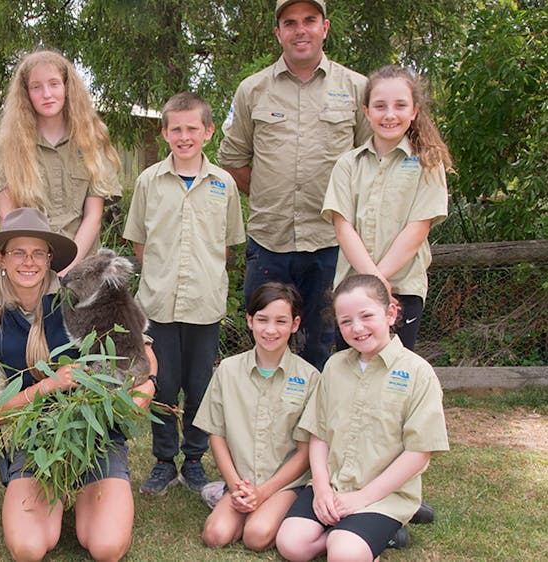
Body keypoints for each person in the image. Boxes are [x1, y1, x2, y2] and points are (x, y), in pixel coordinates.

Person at [0, 208, 157, 562]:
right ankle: (46, 490)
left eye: (37, 252)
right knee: (29, 548)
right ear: (2, 258)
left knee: (106, 546)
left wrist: (148, 383)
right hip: (37, 442)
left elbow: (141, 346)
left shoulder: (83, 297)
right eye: (18, 252)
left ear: (49, 258)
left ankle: (89, 491)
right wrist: (47, 387)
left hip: (97, 437)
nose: (29, 262)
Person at [218, 0, 372, 371]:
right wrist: (269, 195)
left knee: (321, 345)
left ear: (325, 27)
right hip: (269, 242)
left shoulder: (356, 88)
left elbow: (372, 163)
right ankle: (265, 426)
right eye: (290, 23)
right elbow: (233, 157)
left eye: (309, 21)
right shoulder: (252, 90)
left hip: (329, 244)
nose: (300, 30)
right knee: (267, 341)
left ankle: (313, 427)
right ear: (278, 33)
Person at [275, 274, 449, 562]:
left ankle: (366, 534)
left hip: (381, 495)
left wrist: (361, 499)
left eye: (366, 316)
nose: (357, 328)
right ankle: (359, 535)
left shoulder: (418, 373)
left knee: (344, 555)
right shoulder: (333, 367)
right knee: (292, 546)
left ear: (390, 313)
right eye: (345, 321)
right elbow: (318, 433)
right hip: (332, 485)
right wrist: (320, 488)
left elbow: (419, 452)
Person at [123, 92, 246, 495]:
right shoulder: (149, 182)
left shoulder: (223, 184)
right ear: (164, 133)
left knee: (199, 386)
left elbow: (226, 244)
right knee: (161, 384)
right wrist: (162, 275)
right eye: (176, 128)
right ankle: (163, 460)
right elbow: (140, 242)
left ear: (208, 133)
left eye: (193, 128)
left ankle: (194, 459)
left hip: (204, 305)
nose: (184, 135)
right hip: (158, 304)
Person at [323, 65, 452, 350]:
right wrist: (374, 285)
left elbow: (417, 228)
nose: (390, 114)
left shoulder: (427, 163)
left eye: (400, 105)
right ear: (367, 112)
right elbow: (343, 227)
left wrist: (381, 287)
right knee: (352, 372)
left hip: (402, 290)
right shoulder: (347, 165)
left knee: (393, 375)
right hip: (352, 290)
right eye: (380, 106)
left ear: (414, 111)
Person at [193, 282, 319, 551]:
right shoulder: (227, 371)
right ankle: (230, 496)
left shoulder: (309, 378)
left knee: (256, 537)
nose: (270, 330)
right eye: (262, 320)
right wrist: (235, 485)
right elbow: (217, 434)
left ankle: (287, 512)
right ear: (250, 321)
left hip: (284, 484)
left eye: (280, 321)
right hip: (241, 480)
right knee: (214, 535)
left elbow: (305, 451)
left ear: (295, 324)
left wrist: (263, 492)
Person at [0, 49, 123, 273]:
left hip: (82, 273)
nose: (47, 94)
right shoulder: (9, 148)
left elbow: (93, 217)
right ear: (26, 93)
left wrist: (67, 268)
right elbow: (7, 218)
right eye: (36, 87)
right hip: (29, 270)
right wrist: (37, 266)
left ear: (67, 87)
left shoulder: (91, 142)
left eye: (54, 84)